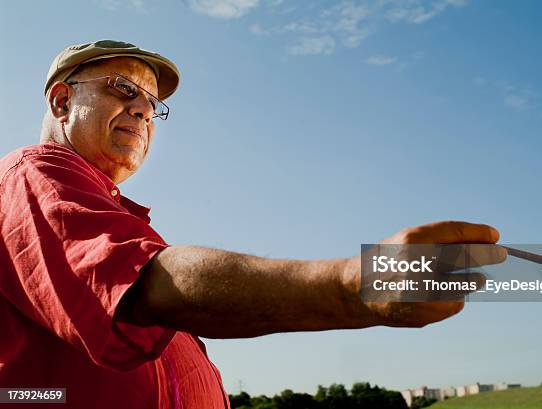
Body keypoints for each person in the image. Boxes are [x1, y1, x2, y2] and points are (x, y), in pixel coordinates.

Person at [0, 40, 504, 408]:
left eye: (153, 104)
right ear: (62, 101)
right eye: (123, 88)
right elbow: (145, 286)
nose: (143, 109)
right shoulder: (34, 174)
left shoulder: (109, 213)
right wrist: (356, 285)